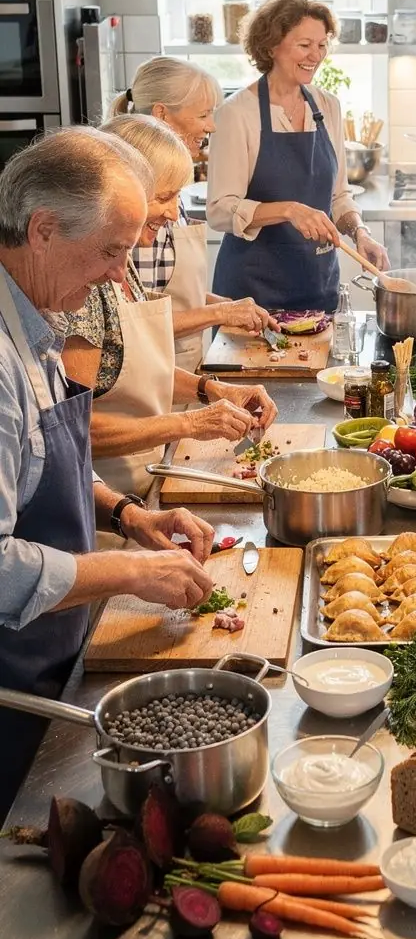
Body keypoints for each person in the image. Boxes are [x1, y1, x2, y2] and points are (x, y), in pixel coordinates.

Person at [0, 128, 215, 814]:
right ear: (43, 230)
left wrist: (128, 516)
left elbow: (44, 468)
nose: (120, 276)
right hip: (12, 690)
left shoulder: (35, 323)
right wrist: (129, 572)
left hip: (56, 658)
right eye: (112, 250)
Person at [61, 115, 276, 499]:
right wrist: (190, 423)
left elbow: (141, 368)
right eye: (164, 196)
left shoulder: (122, 261)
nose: (174, 212)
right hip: (106, 501)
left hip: (148, 479)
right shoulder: (88, 283)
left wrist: (212, 389)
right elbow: (80, 429)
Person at [207, 0, 390, 312]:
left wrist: (360, 233)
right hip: (252, 296)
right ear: (271, 46)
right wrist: (288, 209)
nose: (315, 56)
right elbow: (220, 210)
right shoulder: (237, 113)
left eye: (321, 45)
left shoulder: (327, 106)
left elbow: (338, 196)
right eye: (304, 45)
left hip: (316, 287)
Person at [112, 56, 277, 372]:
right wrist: (222, 315)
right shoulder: (138, 200)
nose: (211, 125)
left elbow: (167, 294)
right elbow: (136, 318)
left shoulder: (167, 190)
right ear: (162, 114)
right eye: (202, 114)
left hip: (177, 369)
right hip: (147, 374)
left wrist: (228, 307)